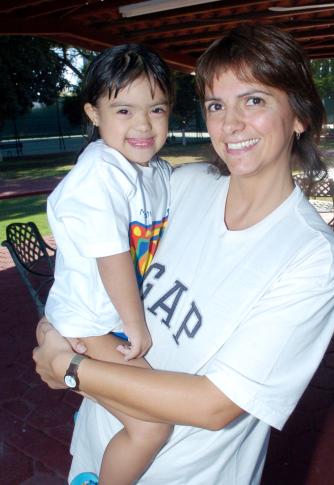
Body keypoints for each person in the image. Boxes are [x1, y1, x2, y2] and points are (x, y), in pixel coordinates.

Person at [34, 25, 334, 485]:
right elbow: (94, 255)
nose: (231, 123)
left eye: (254, 100)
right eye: (216, 105)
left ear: (299, 115)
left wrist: (69, 367)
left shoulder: (312, 257)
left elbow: (215, 405)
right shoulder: (183, 185)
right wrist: (54, 323)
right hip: (97, 447)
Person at [44, 44, 174, 484]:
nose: (142, 124)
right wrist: (135, 325)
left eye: (156, 109)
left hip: (103, 319)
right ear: (94, 113)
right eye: (124, 110)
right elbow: (113, 258)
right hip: (89, 323)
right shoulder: (101, 173)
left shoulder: (154, 172)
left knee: (131, 411)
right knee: (152, 425)